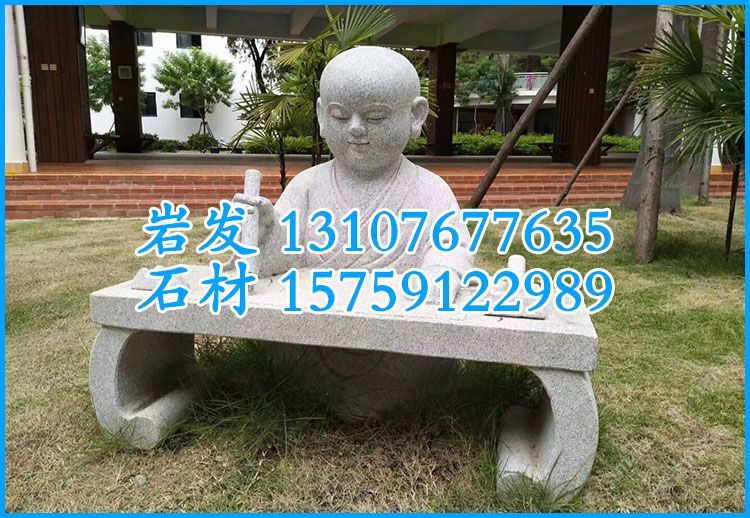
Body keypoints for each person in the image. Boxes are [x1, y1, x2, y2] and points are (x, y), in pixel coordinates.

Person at [234, 46, 474, 419]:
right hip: (312, 343)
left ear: (415, 116)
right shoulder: (307, 187)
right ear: (321, 115)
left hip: (401, 349)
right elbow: (275, 263)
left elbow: (451, 248)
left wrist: (440, 272)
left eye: (375, 117)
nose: (356, 128)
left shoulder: (430, 190)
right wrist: (266, 235)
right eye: (340, 116)